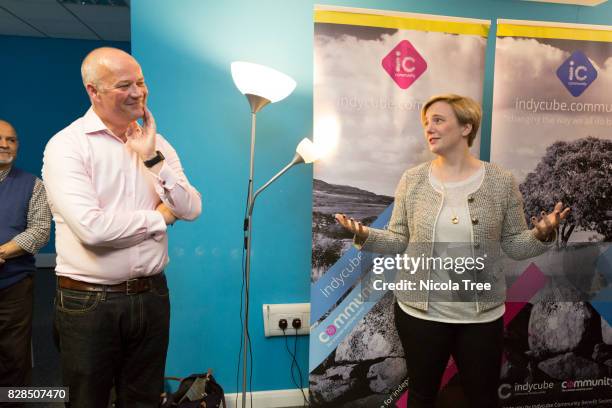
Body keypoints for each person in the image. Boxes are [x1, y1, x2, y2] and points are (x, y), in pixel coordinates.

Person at [335, 94, 570, 408]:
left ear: (466, 127)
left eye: (438, 120)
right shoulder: (413, 180)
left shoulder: (500, 181)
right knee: (421, 396)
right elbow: (398, 239)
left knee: (483, 398)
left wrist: (541, 234)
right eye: (426, 122)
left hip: (481, 318)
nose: (429, 129)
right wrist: (363, 235)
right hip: (420, 314)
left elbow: (514, 245)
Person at [42, 47, 202, 408]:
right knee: (87, 400)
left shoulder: (157, 144)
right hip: (89, 302)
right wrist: (158, 218)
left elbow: (191, 207)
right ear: (93, 91)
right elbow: (93, 230)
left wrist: (152, 159)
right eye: (124, 85)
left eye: (141, 82)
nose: (137, 92)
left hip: (151, 295)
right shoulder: (66, 147)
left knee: (144, 398)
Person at [0, 120, 51, 399]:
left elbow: (40, 230)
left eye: (11, 140)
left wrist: (2, 252)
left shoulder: (33, 185)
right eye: (0, 138)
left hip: (14, 285)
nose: (4, 145)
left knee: (13, 355)